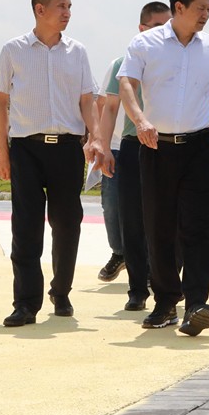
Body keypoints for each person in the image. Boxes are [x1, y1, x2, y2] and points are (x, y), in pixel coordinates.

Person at [118, 0, 209, 336]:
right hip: (156, 148)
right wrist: (140, 120)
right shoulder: (145, 43)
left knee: (198, 227)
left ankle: (197, 304)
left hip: (199, 148)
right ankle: (166, 301)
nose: (206, 15)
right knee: (159, 228)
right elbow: (126, 84)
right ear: (179, 7)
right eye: (200, 8)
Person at [0, 0, 102, 327]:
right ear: (40, 9)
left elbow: (87, 100)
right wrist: (2, 152)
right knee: (25, 226)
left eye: (69, 7)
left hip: (68, 149)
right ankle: (26, 303)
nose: (67, 12)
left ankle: (61, 291)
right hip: (25, 149)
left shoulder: (77, 52)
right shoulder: (13, 50)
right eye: (61, 6)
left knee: (67, 223)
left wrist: (96, 138)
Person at [98, 1, 172, 311]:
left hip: (168, 146)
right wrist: (103, 147)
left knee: (168, 220)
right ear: (141, 29)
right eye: (156, 26)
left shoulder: (177, 60)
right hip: (131, 146)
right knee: (131, 221)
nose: (163, 32)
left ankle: (166, 285)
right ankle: (137, 290)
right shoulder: (122, 63)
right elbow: (110, 108)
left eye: (167, 26)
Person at [96, 61, 126, 284]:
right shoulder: (118, 64)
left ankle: (148, 261)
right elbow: (101, 103)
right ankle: (119, 253)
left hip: (152, 145)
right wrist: (98, 141)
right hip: (115, 146)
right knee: (111, 203)